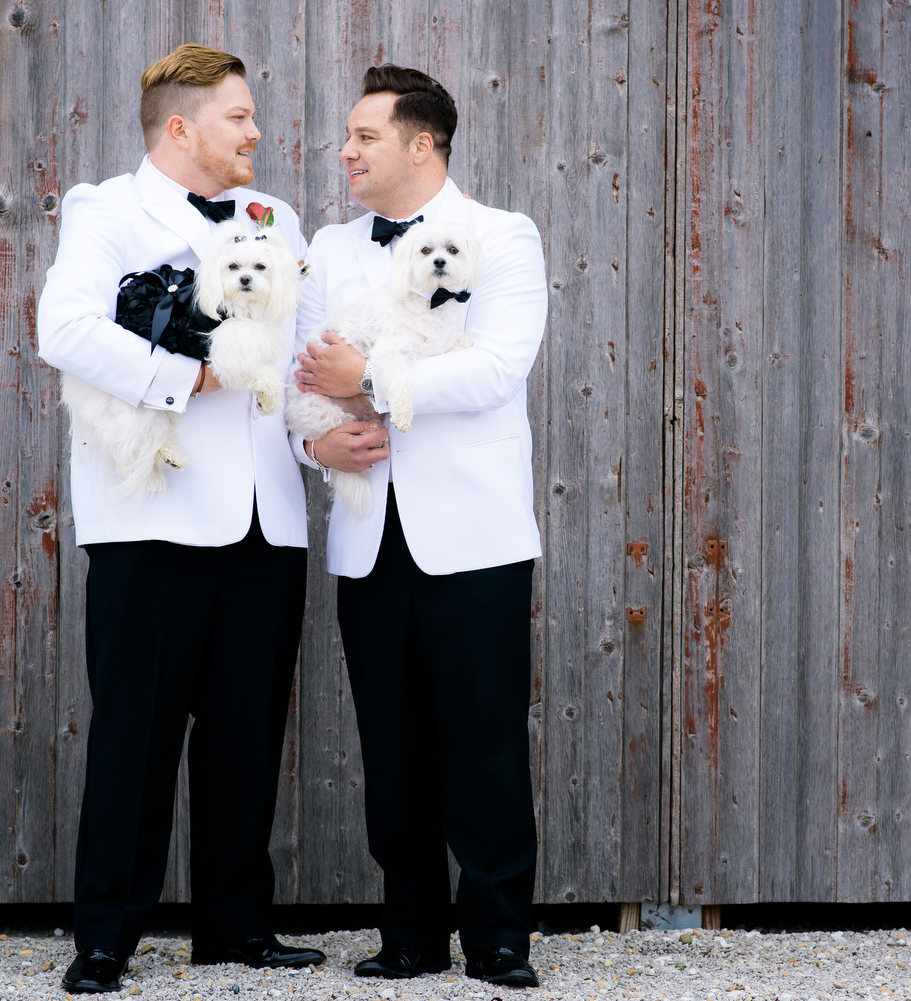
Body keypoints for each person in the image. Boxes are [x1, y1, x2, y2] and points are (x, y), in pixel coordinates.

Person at [36, 44, 325, 994]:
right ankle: (107, 932)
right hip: (148, 519)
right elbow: (66, 330)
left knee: (246, 734)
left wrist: (327, 438)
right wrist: (188, 376)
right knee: (136, 733)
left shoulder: (276, 218)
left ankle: (235, 927)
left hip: (264, 521)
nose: (255, 132)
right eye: (238, 117)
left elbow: (292, 363)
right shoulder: (106, 210)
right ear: (181, 127)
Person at [292, 65, 547, 988]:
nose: (347, 152)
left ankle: (499, 934)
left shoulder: (502, 237)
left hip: (473, 537)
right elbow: (299, 381)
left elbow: (492, 371)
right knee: (391, 746)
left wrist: (365, 384)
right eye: (348, 139)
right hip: (369, 532)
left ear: (421, 143)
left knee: (483, 741)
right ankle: (409, 933)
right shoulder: (328, 244)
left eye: (364, 137)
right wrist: (319, 447)